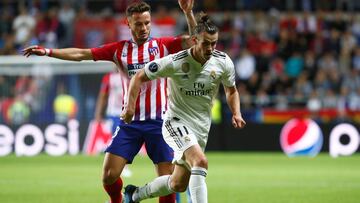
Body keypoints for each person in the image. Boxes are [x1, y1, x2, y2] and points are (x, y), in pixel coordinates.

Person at [22, 1, 196, 203]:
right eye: (138, 24)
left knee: (167, 182)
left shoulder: (163, 45)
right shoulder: (118, 50)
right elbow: (81, 54)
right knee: (108, 175)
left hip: (160, 123)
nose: (143, 28)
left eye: (147, 23)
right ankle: (118, 201)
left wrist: (188, 12)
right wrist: (49, 52)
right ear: (128, 24)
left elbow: (193, 41)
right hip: (130, 123)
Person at [121, 13, 246, 203]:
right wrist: (130, 107)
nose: (211, 48)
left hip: (201, 127)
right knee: (201, 161)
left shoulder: (223, 62)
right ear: (194, 40)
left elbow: (231, 91)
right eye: (206, 43)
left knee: (178, 183)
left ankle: (135, 194)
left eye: (214, 43)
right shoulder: (176, 61)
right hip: (175, 122)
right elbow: (139, 76)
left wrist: (236, 112)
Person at [94, 69, 132, 177]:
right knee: (119, 139)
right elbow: (103, 95)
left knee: (126, 139)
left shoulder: (131, 74)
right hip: (114, 113)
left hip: (128, 112)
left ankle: (123, 166)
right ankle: (123, 167)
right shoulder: (109, 77)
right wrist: (98, 112)